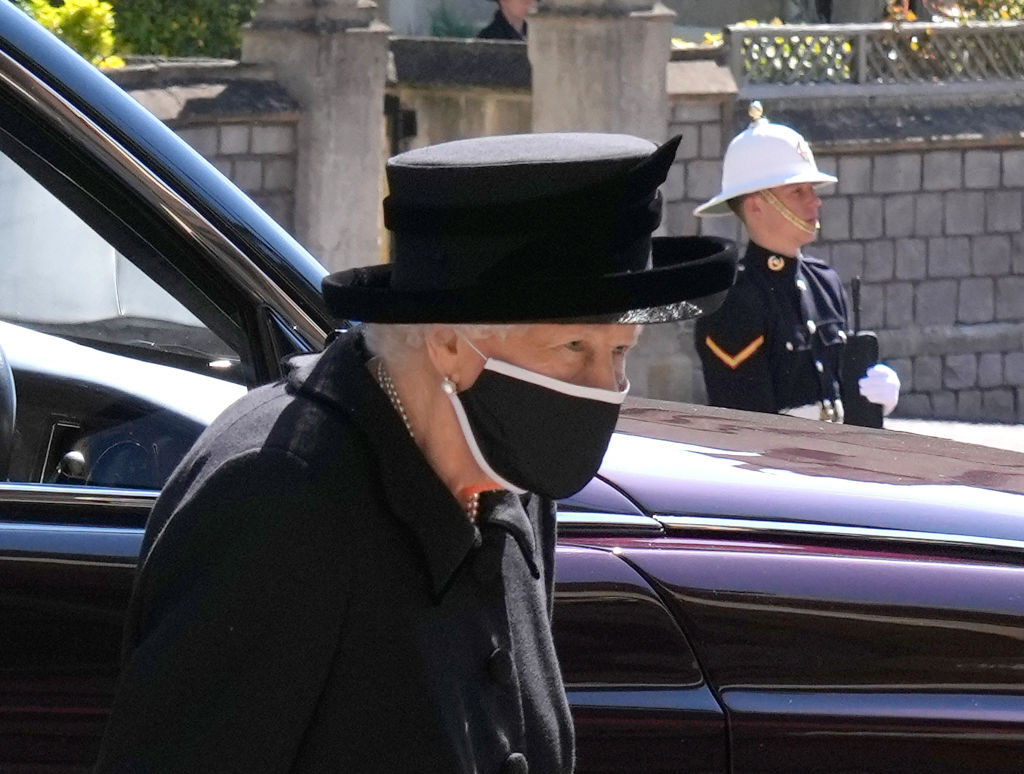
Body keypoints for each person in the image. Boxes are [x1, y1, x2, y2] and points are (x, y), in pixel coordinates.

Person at [95, 132, 737, 773]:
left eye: (620, 351)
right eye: (574, 348)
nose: (604, 386)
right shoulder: (280, 498)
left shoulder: (507, 476)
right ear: (450, 342)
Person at [693, 103, 900, 423]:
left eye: (811, 189)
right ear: (756, 206)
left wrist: (869, 400)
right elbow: (746, 422)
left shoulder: (825, 282)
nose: (815, 201)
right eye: (798, 191)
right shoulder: (733, 301)